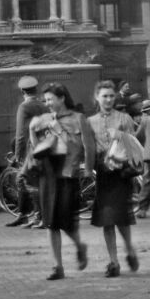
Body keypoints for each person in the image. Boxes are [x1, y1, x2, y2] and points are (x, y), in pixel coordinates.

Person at [29, 82, 96, 281]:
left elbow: (84, 145)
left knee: (66, 221)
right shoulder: (43, 119)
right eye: (46, 100)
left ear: (62, 98)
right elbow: (37, 149)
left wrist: (89, 168)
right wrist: (32, 131)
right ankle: (57, 266)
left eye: (51, 99)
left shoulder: (78, 118)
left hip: (68, 171)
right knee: (50, 222)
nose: (47, 103)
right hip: (48, 172)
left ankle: (79, 246)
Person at [88, 80, 140, 277]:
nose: (108, 99)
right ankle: (114, 262)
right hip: (104, 173)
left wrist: (119, 135)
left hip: (121, 173)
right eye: (104, 96)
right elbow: (88, 147)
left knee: (121, 218)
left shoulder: (124, 118)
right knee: (106, 220)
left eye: (111, 95)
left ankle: (129, 249)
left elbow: (134, 145)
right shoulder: (90, 121)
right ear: (97, 98)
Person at [6, 75, 45, 228]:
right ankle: (30, 214)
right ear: (36, 90)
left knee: (23, 180)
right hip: (45, 147)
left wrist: (17, 155)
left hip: (31, 149)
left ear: (23, 91)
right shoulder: (43, 105)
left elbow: (20, 135)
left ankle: (31, 215)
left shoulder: (24, 107)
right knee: (34, 182)